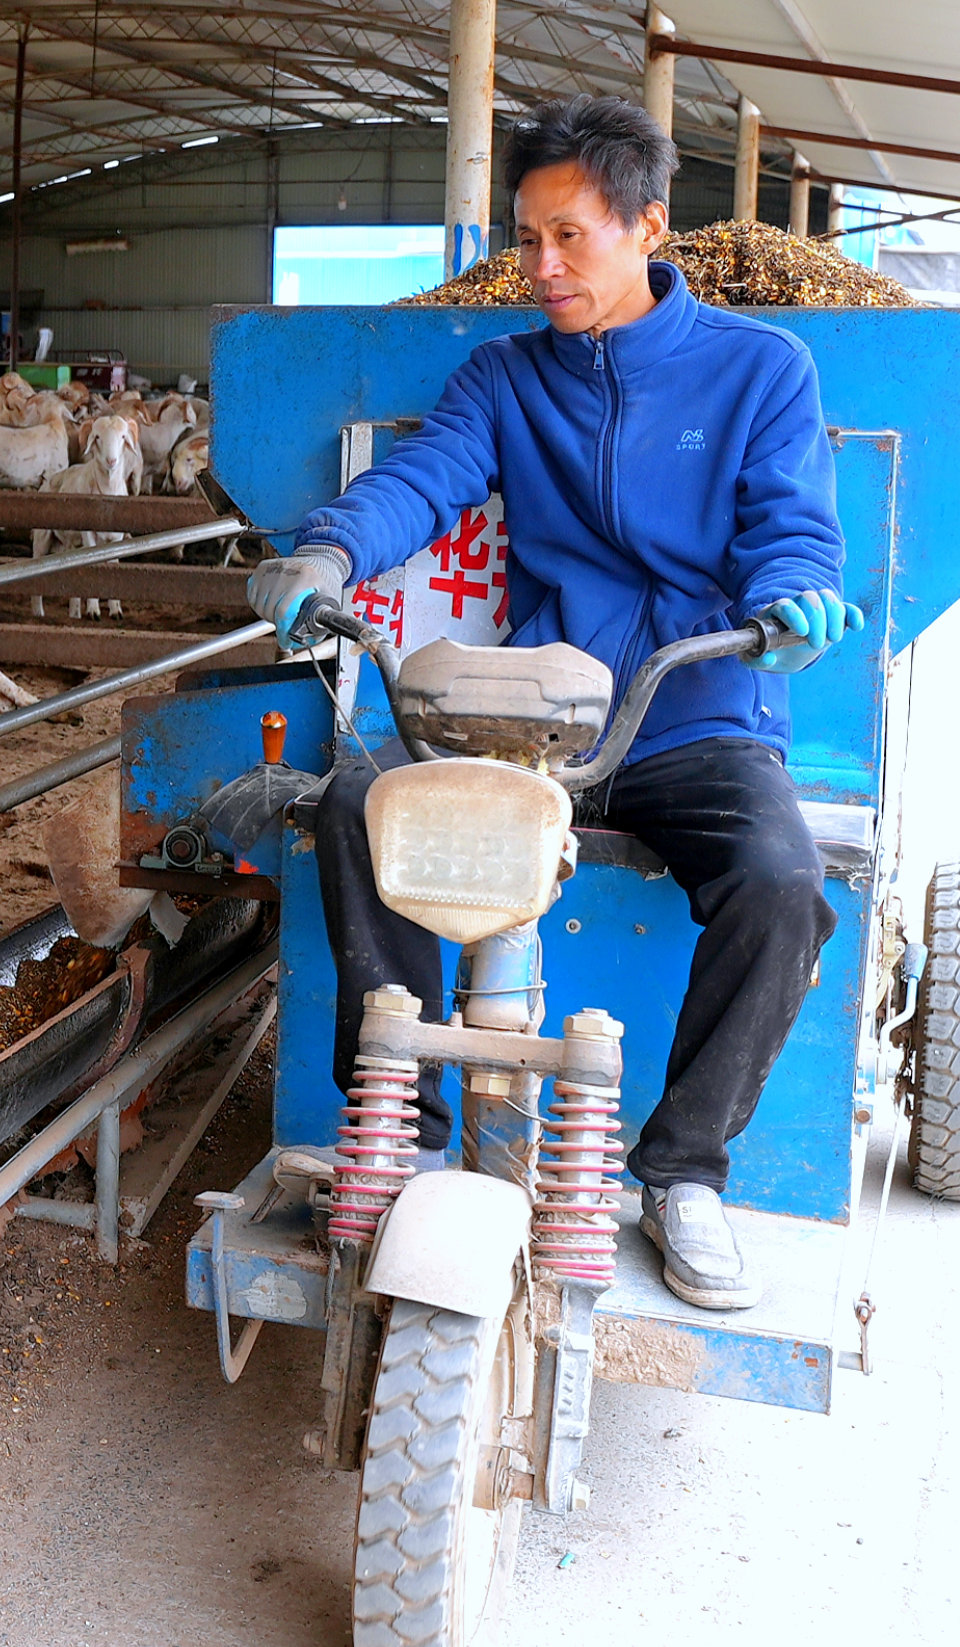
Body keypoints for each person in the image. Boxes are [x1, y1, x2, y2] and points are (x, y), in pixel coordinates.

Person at [246, 96, 867, 1311]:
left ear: (645, 226)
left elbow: (794, 533)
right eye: (526, 239)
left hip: (694, 716)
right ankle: (398, 1129)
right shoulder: (504, 375)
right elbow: (422, 482)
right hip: (540, 716)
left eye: (569, 237)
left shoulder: (760, 370)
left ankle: (683, 1172)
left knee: (782, 886)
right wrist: (325, 555)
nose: (539, 268)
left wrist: (794, 604)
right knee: (354, 805)